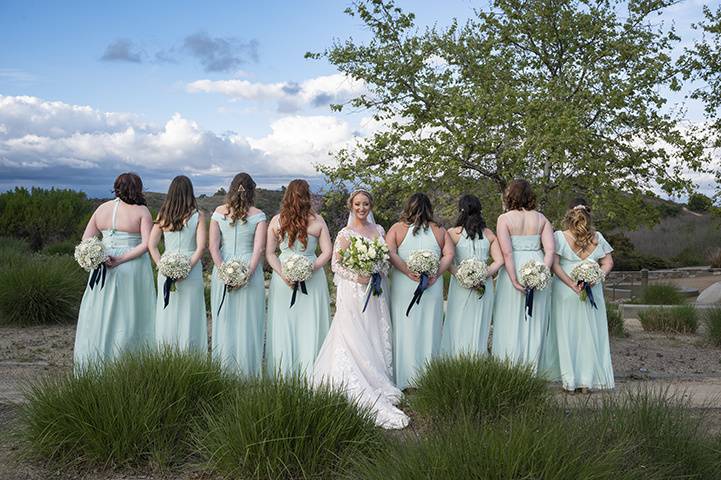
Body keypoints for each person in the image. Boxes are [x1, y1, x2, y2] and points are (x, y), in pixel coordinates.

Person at [312, 189, 409, 429]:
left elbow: (385, 259)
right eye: (357, 204)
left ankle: (378, 375)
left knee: (375, 329)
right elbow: (336, 265)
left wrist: (378, 270)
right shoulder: (345, 233)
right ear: (351, 206)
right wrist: (359, 277)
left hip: (375, 292)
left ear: (371, 206)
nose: (362, 208)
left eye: (366, 204)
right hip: (354, 292)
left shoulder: (379, 231)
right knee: (353, 333)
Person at [74, 172, 155, 369]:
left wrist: (99, 256)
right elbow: (146, 244)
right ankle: (129, 362)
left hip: (103, 264)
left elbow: (87, 240)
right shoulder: (142, 211)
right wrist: (120, 259)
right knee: (131, 313)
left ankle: (95, 358)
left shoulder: (101, 209)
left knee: (101, 311)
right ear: (138, 188)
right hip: (132, 265)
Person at [541, 198, 615, 392]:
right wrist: (596, 277)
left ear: (569, 214)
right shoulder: (598, 237)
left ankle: (570, 381)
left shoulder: (558, 236)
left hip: (566, 290)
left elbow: (554, 265)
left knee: (567, 334)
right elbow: (608, 263)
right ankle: (587, 381)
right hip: (592, 290)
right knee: (589, 334)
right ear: (589, 214)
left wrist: (573, 285)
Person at [386, 193, 454, 389]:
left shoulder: (397, 228)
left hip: (404, 284)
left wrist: (407, 271)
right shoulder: (440, 230)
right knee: (429, 327)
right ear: (429, 208)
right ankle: (427, 377)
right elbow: (449, 254)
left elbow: (390, 253)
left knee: (404, 328)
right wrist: (436, 274)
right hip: (431, 286)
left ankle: (404, 378)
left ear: (408, 207)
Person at [266, 179, 331, 377]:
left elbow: (270, 254)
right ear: (307, 197)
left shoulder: (276, 221)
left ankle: (285, 373)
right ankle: (312, 372)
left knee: (286, 323)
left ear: (287, 196)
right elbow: (327, 252)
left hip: (284, 279)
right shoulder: (318, 220)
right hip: (311, 279)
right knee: (310, 324)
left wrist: (284, 274)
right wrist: (311, 267)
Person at [492, 179, 554, 373]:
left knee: (509, 318)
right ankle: (531, 368)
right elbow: (550, 251)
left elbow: (507, 253)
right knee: (535, 320)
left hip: (515, 267)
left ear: (511, 196)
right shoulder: (542, 219)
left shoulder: (504, 219)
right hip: (537, 263)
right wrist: (542, 273)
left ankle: (508, 368)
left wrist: (513, 279)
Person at [209, 173, 267, 375]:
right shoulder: (258, 215)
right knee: (248, 320)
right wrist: (246, 274)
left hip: (223, 268)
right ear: (252, 190)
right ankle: (247, 370)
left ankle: (224, 368)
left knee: (225, 319)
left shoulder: (218, 212)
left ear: (232, 188)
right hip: (249, 270)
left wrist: (224, 270)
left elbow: (213, 247)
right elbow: (258, 249)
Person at [149, 175, 207, 353]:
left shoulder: (163, 216)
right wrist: (188, 266)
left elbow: (151, 245)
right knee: (190, 312)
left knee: (168, 310)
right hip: (191, 268)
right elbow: (201, 247)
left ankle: (165, 351)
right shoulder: (199, 216)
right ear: (190, 192)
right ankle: (190, 352)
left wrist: (162, 266)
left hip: (167, 266)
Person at [440, 194, 504, 356]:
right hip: (483, 285)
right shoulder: (489, 234)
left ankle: (458, 360)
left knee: (459, 323)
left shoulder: (452, 233)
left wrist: (461, 275)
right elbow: (499, 260)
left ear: (461, 210)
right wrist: (483, 274)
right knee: (478, 322)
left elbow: (446, 260)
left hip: (462, 285)